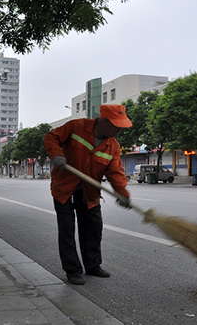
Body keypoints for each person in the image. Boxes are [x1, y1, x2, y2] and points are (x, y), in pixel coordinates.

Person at [44, 104, 132, 285]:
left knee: (93, 229)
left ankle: (92, 266)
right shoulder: (76, 127)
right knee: (67, 232)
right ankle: (73, 270)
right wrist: (57, 154)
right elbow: (51, 137)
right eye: (118, 126)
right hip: (65, 189)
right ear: (105, 122)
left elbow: (115, 172)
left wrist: (122, 193)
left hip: (89, 193)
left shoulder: (112, 146)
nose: (120, 131)